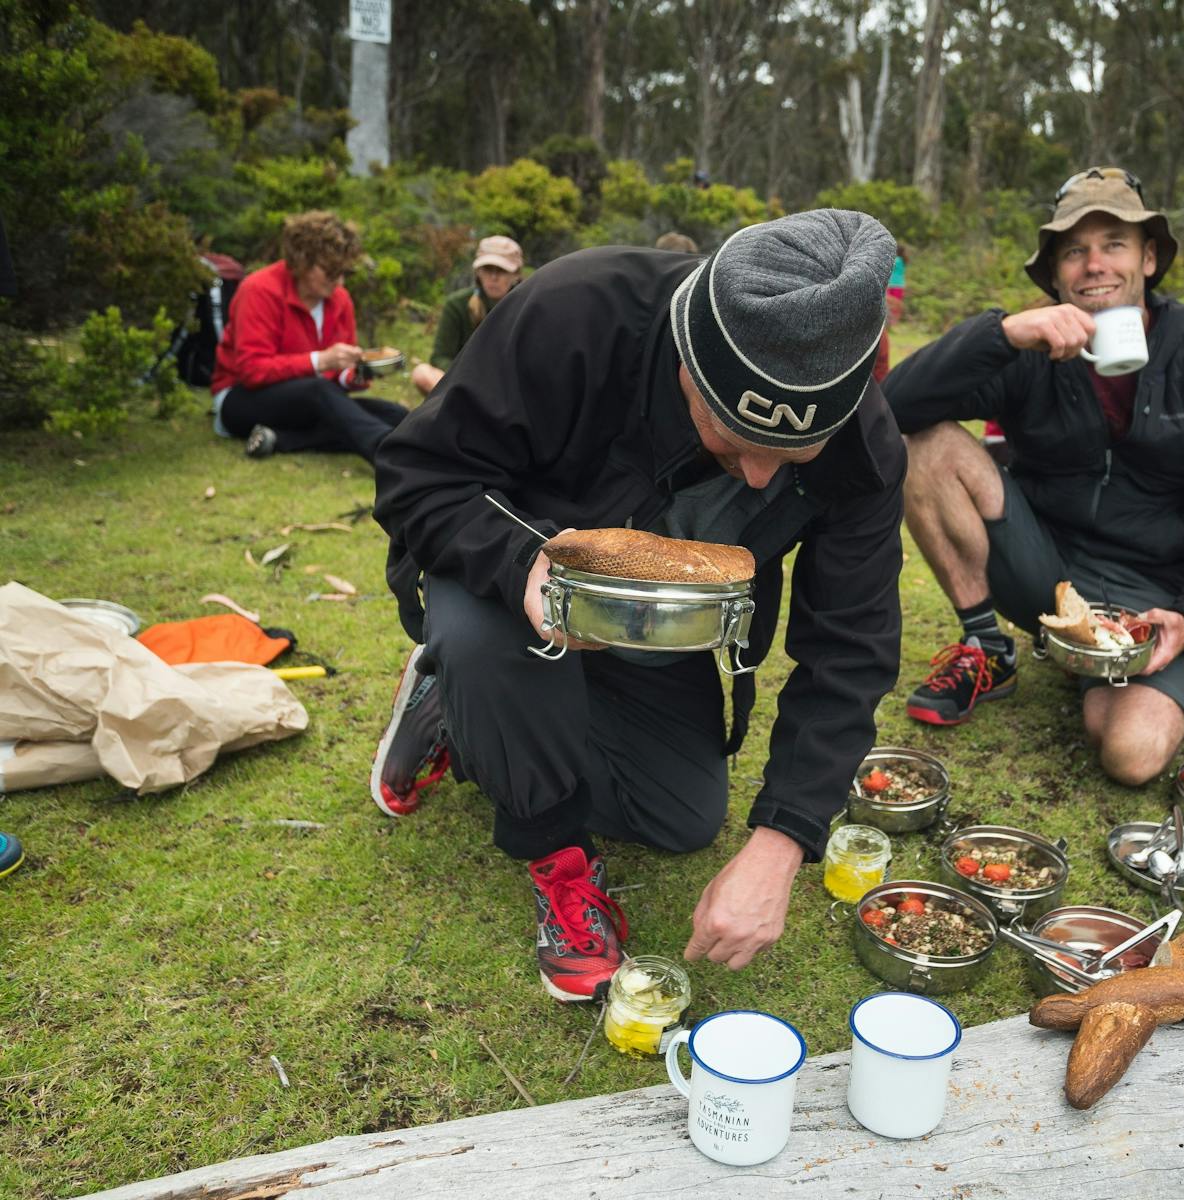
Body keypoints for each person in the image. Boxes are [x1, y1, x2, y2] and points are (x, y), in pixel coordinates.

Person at [370, 210, 902, 1001]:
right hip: (507, 587)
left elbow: (850, 651)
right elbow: (419, 475)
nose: (759, 479)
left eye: (789, 458)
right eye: (730, 442)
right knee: (488, 643)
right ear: (686, 364)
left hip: (658, 623)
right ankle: (546, 836)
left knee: (683, 816)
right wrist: (523, 564)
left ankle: (460, 709)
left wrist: (783, 841)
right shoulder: (575, 311)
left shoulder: (863, 447)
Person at [884, 167, 1184, 785]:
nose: (1094, 264)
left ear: (1148, 259)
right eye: (1074, 250)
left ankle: (1097, 669)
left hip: (1148, 597)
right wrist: (1003, 334)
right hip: (1041, 571)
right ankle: (988, 648)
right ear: (1056, 273)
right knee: (922, 444)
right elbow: (892, 410)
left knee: (1132, 755)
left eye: (1114, 244)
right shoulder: (1030, 352)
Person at [210, 211, 408, 463]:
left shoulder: (340, 300)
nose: (339, 281)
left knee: (395, 414)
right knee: (321, 391)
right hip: (239, 399)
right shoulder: (259, 290)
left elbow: (338, 378)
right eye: (330, 271)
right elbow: (252, 371)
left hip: (308, 400)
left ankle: (282, 440)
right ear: (303, 261)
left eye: (344, 272)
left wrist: (361, 371)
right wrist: (321, 361)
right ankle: (391, 455)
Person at [409, 235, 527, 398]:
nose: (494, 277)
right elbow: (441, 357)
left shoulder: (527, 306)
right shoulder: (457, 304)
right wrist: (470, 376)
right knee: (422, 373)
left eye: (501, 270)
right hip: (466, 384)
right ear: (478, 272)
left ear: (515, 274)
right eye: (488, 269)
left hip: (511, 388)